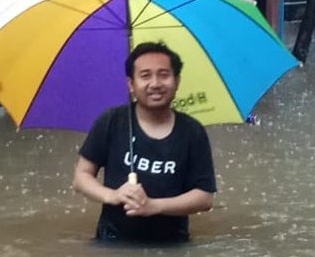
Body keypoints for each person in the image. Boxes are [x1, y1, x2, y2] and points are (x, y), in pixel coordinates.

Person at [73, 42, 216, 243]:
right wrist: (113, 196)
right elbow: (81, 177)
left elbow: (204, 197)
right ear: (131, 84)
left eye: (164, 74)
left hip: (173, 246)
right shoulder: (112, 121)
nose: (155, 83)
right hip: (112, 243)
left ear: (177, 81)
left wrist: (153, 206)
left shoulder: (192, 131)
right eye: (145, 75)